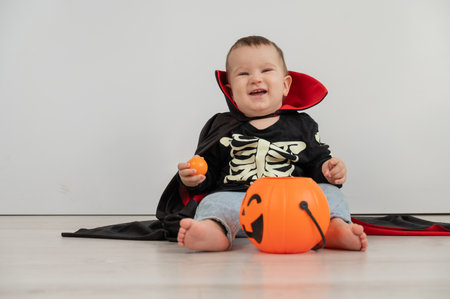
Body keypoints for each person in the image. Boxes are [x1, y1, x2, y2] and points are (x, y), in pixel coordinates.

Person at [176, 36, 368, 252]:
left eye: (266, 70)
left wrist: (328, 170)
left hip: (294, 207)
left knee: (330, 194)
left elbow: (317, 161)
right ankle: (213, 231)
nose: (255, 79)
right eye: (243, 73)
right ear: (230, 91)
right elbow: (208, 173)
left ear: (285, 85)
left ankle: (332, 227)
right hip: (242, 204)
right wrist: (194, 179)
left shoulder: (302, 124)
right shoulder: (222, 126)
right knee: (213, 201)